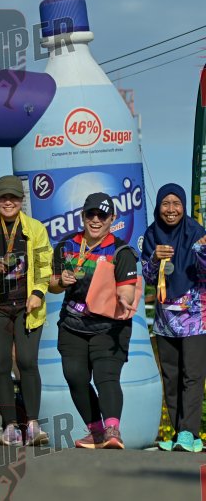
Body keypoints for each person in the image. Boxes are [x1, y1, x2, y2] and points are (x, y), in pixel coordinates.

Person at [49, 192, 139, 450]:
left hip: (109, 327)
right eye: (91, 214)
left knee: (105, 375)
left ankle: (113, 430)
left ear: (112, 218)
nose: (96, 219)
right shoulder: (66, 246)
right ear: (83, 216)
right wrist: (60, 281)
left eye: (102, 215)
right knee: (74, 376)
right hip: (73, 324)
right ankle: (96, 432)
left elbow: (127, 290)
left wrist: (124, 298)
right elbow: (52, 284)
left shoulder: (121, 251)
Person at [0, 175, 52, 446]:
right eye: (3, 197)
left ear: (21, 200)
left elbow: (44, 266)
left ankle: (32, 425)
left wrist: (38, 293)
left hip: (27, 306)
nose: (8, 202)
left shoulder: (35, 228)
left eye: (14, 198)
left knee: (27, 362)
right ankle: (10, 427)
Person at [141, 184, 206, 452]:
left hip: (195, 317)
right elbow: (147, 277)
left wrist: (202, 252)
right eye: (165, 204)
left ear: (183, 206)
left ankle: (189, 431)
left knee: (192, 375)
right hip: (165, 319)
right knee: (170, 376)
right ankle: (181, 433)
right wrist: (155, 259)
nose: (171, 209)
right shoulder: (151, 234)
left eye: (176, 203)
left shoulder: (197, 232)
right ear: (158, 207)